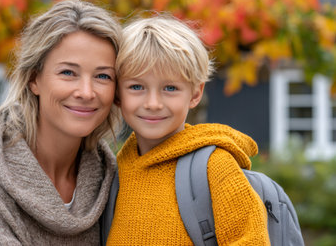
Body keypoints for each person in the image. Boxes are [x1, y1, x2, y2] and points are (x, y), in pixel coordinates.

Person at [0, 0, 121, 245]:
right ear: (34, 79)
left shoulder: (113, 181)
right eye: (68, 73)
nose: (86, 92)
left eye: (103, 76)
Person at [106, 15, 270, 245]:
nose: (153, 103)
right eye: (136, 87)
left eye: (170, 88)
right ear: (117, 94)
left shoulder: (215, 166)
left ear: (195, 94)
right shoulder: (116, 171)